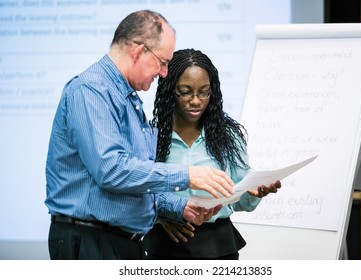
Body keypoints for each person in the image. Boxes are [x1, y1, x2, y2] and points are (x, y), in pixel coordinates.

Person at [44, 10, 234, 260]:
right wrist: (188, 176)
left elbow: (133, 182)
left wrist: (180, 207)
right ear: (137, 51)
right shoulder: (91, 91)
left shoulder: (126, 99)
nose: (164, 73)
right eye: (162, 62)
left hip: (118, 243)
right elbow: (111, 170)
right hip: (92, 243)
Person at [142, 49, 281, 260]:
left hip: (218, 245)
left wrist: (256, 192)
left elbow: (239, 200)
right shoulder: (150, 137)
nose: (196, 101)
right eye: (185, 92)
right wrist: (161, 216)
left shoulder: (228, 137)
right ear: (169, 90)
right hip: (165, 244)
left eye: (204, 92)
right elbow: (137, 189)